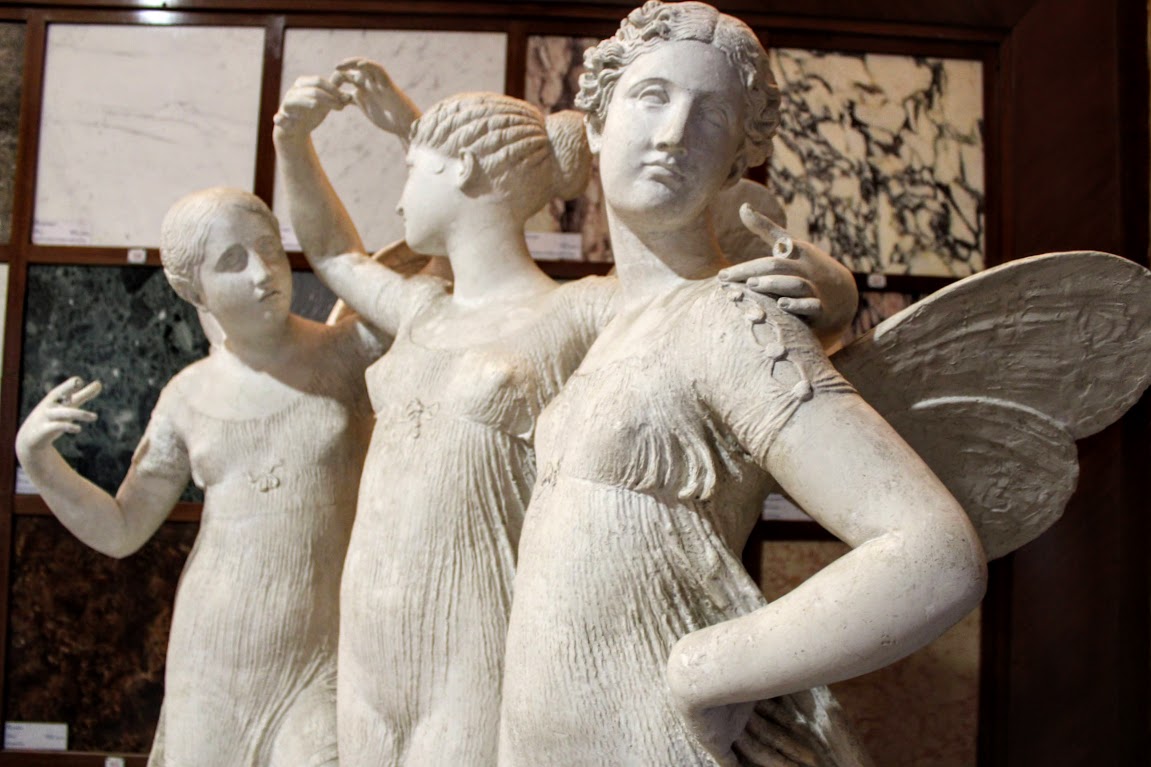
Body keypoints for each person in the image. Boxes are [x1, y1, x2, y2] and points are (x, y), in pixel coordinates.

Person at [273, 59, 856, 767]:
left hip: (480, 636)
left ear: (461, 171)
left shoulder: (577, 310)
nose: (398, 202)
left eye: (412, 170)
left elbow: (709, 295)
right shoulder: (419, 309)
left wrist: (834, 290)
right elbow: (334, 253)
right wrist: (291, 141)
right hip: (368, 636)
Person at [498, 3, 987, 766]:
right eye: (651, 96)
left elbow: (933, 550)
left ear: (736, 160)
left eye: (711, 115)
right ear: (595, 121)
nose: (673, 133)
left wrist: (708, 667)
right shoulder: (614, 322)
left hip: (652, 738)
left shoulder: (728, 320)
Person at [15, 188, 383, 767]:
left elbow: (364, 272)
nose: (263, 273)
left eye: (270, 248)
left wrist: (295, 146)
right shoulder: (186, 397)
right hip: (215, 653)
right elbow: (121, 529)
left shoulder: (347, 352)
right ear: (192, 289)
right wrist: (38, 460)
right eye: (233, 261)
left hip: (322, 655)